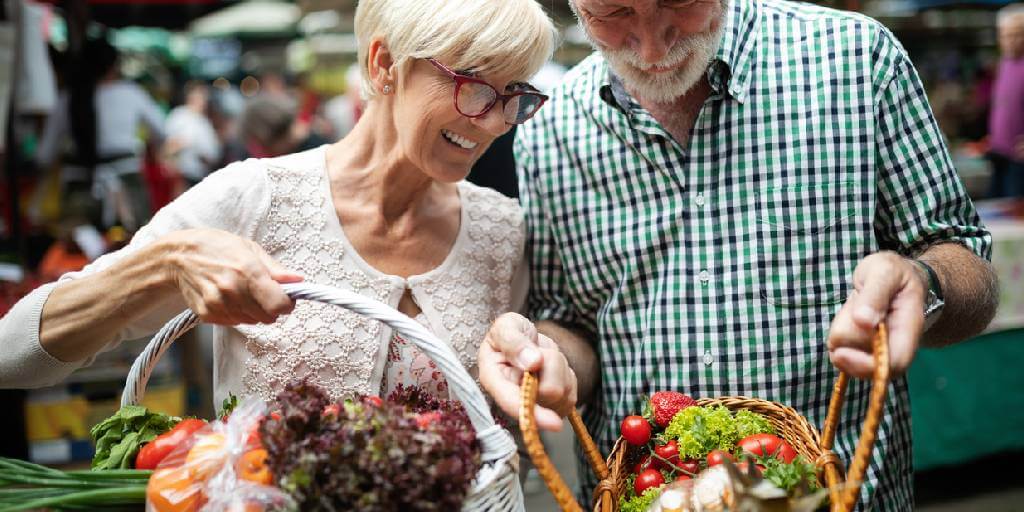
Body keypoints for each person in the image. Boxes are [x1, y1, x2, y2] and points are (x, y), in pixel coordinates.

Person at [477, 0, 999, 510]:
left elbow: (964, 256)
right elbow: (572, 325)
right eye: (613, 13)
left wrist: (924, 284)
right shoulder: (549, 131)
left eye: (678, 2)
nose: (653, 45)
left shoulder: (856, 61)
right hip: (648, 495)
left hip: (846, 493)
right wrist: (544, 355)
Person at [0, 0, 556, 411]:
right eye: (476, 85)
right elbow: (11, 355)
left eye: (513, 96)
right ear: (385, 63)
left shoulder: (501, 229)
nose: (493, 122)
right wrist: (166, 262)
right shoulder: (255, 198)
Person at [35, 37, 166, 232]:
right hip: (126, 185)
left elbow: (44, 155)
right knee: (135, 250)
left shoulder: (67, 98)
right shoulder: (131, 93)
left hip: (78, 190)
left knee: (79, 253)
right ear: (114, 66)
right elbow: (162, 132)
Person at [988, 4, 1024, 198]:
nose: (1010, 41)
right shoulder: (1004, 63)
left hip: (1019, 161)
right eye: (1005, 35)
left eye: (1017, 34)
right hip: (999, 154)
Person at [163, 82, 221, 194]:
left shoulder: (205, 122)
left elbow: (213, 156)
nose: (203, 100)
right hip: (181, 177)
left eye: (204, 96)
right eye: (200, 95)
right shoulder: (179, 115)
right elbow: (167, 147)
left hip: (201, 178)